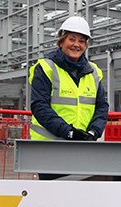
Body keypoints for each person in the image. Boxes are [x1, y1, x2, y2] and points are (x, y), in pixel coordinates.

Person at [29, 15, 109, 146]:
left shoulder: (94, 72)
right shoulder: (46, 68)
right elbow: (40, 106)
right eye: (72, 39)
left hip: (81, 145)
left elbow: (102, 106)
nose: (76, 45)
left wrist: (94, 131)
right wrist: (68, 132)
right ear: (61, 42)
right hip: (47, 147)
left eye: (82, 41)